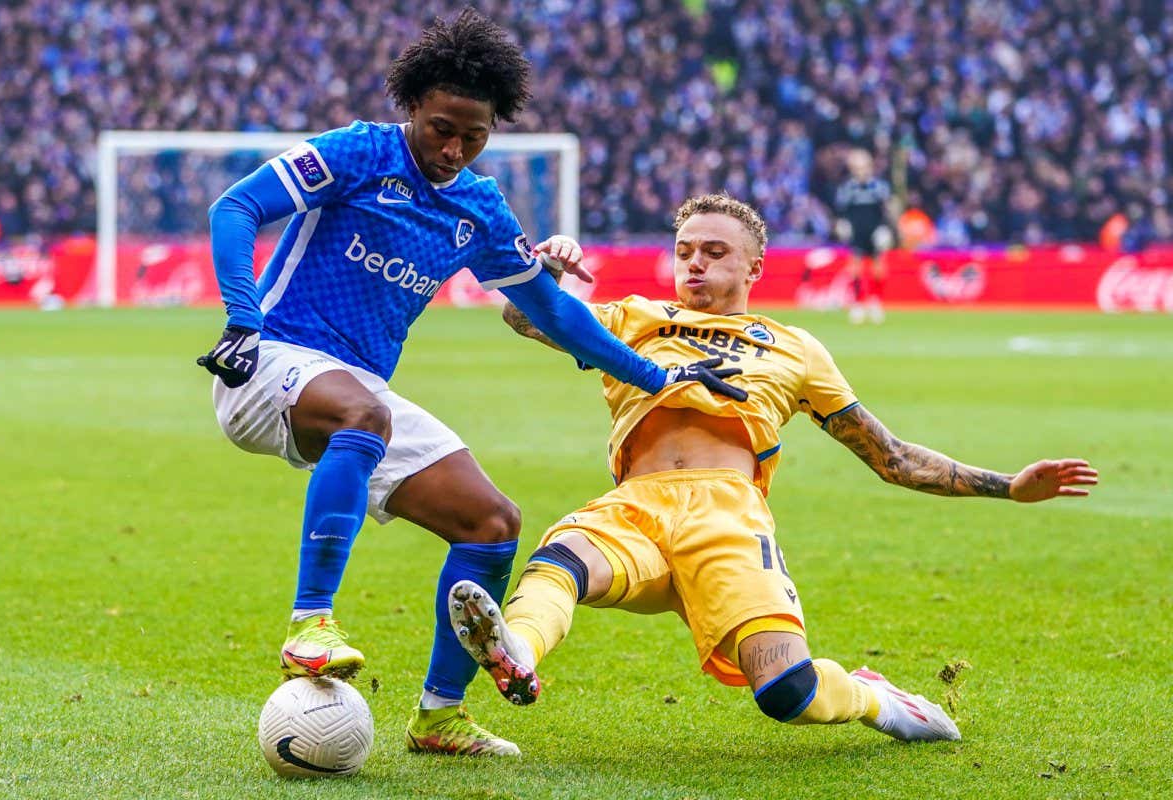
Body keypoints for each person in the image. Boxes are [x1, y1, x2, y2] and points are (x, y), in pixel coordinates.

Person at [195, 10, 743, 758]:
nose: (453, 148)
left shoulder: (477, 206)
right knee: (363, 414)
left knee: (491, 523)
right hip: (269, 361)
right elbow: (237, 207)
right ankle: (309, 625)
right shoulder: (357, 154)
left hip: (356, 393)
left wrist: (657, 377)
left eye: (473, 136)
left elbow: (551, 309)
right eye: (440, 128)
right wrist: (241, 317)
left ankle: (439, 716)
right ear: (412, 107)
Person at [446, 193, 1098, 745]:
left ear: (755, 265)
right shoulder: (638, 317)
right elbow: (525, 318)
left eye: (714, 251)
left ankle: (872, 697)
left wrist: (1006, 486)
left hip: (727, 518)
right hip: (636, 507)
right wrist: (546, 280)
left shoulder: (794, 347)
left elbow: (888, 456)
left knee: (788, 691)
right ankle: (519, 652)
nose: (694, 262)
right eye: (685, 250)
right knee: (561, 558)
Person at [834, 149, 894, 324]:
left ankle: (876, 301)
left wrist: (886, 229)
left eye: (863, 167)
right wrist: (842, 224)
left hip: (875, 231)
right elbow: (841, 211)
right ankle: (858, 303)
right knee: (855, 268)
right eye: (857, 168)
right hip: (857, 232)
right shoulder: (847, 188)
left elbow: (886, 211)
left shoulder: (880, 187)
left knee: (878, 269)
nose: (861, 171)